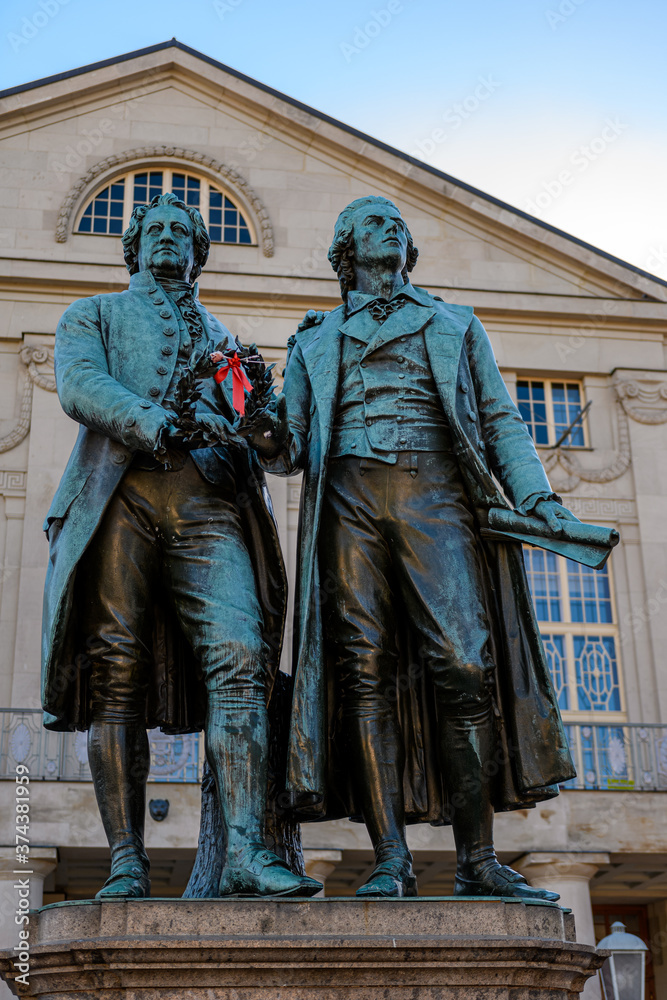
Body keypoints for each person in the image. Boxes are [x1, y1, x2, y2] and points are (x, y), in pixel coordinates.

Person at [250, 196, 577, 899]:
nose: (391, 227)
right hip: (348, 505)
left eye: (397, 221)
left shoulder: (454, 323)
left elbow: (499, 421)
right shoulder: (313, 339)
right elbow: (291, 448)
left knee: (464, 665)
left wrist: (537, 498)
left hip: (436, 498)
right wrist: (261, 428)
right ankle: (389, 858)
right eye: (372, 222)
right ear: (345, 249)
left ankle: (476, 859)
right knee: (363, 674)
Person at [42, 192, 321, 900]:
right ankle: (127, 861)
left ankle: (245, 854)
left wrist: (265, 424)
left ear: (198, 252)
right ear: (134, 248)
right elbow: (78, 384)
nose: (167, 236)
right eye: (154, 229)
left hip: (207, 507)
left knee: (240, 660)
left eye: (181, 231)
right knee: (117, 675)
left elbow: (272, 445)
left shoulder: (228, 342)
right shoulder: (94, 313)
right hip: (122, 496)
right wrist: (149, 419)